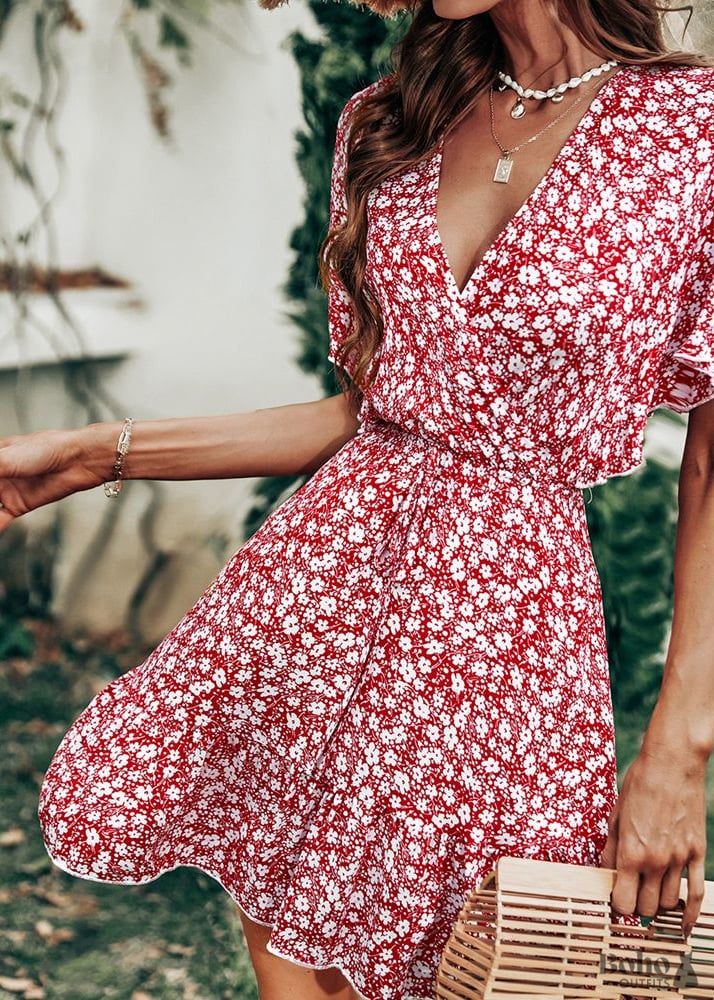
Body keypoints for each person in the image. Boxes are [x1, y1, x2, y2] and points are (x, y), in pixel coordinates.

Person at [1, 0, 712, 997]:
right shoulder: (390, 118)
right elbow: (379, 414)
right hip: (321, 599)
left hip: (511, 644)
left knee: (493, 962)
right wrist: (100, 454)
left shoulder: (694, 135)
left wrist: (682, 745)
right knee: (296, 968)